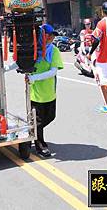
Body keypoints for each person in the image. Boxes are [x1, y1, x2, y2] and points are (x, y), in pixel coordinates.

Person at [27, 24, 64, 157]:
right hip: (35, 93)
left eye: (52, 35)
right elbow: (22, 63)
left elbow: (53, 71)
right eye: (48, 35)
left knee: (50, 117)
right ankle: (40, 145)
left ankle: (33, 132)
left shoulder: (53, 51)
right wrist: (6, 68)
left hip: (49, 92)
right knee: (38, 121)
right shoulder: (33, 50)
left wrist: (35, 77)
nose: (51, 38)